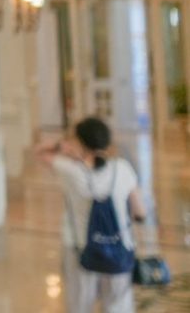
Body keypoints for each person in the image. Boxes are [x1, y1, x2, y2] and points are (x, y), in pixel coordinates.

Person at [36, 116, 148, 313]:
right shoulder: (122, 168)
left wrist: (61, 146)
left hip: (80, 249)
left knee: (80, 305)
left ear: (79, 142)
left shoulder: (71, 171)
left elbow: (40, 152)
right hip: (119, 248)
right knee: (118, 306)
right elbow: (140, 212)